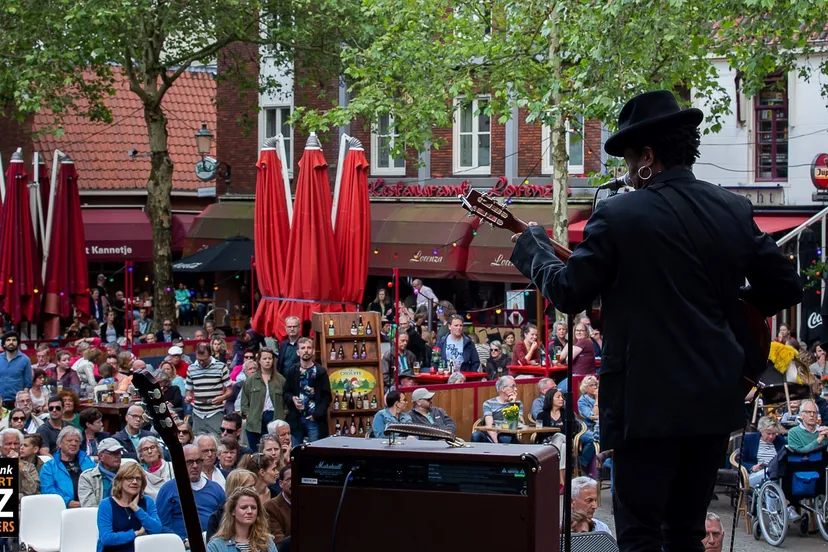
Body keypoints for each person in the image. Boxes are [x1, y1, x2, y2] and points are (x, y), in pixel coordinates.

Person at [509, 90, 802, 551]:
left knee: (641, 534)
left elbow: (569, 291)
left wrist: (534, 255)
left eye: (628, 160)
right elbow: (787, 288)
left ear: (647, 156)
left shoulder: (620, 213)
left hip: (645, 406)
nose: (627, 172)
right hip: (711, 401)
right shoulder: (733, 209)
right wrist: (727, 306)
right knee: (685, 531)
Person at [156, 444, 226, 545]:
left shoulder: (216, 489)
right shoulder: (167, 490)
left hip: (212, 543)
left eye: (198, 461)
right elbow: (161, 524)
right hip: (180, 545)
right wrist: (182, 541)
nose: (195, 466)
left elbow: (224, 521)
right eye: (189, 462)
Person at [96, 462, 163, 552]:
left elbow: (157, 529)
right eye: (130, 478)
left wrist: (137, 509)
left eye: (138, 479)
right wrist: (136, 533)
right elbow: (107, 538)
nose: (135, 482)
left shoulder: (148, 501)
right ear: (120, 481)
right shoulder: (106, 504)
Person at [284, 338, 331, 444]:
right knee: (295, 451)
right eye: (303, 348)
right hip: (296, 418)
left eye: (309, 348)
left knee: (316, 451)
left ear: (313, 351)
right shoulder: (292, 371)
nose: (306, 350)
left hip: (314, 419)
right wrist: (293, 399)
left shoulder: (320, 372)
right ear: (298, 352)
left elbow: (327, 397)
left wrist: (317, 415)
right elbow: (286, 392)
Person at [207, 487, 278, 552]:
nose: (250, 511)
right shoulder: (216, 545)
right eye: (244, 507)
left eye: (253, 507)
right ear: (233, 511)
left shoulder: (266, 541)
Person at [242, 348, 286, 453]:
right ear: (259, 361)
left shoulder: (281, 380)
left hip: (274, 418)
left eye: (270, 358)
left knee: (273, 451)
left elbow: (286, 402)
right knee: (257, 452)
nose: (267, 361)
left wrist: (284, 414)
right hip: (255, 421)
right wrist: (249, 415)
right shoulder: (251, 380)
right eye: (264, 358)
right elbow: (244, 403)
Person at [40, 426, 96, 507]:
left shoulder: (88, 462)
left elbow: (97, 483)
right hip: (62, 507)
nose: (74, 443)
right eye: (69, 441)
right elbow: (48, 490)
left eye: (77, 441)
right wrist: (68, 502)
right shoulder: (49, 467)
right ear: (59, 444)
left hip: (89, 506)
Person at [186, 342, 232, 435]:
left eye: (204, 359)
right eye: (199, 360)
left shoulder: (221, 367)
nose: (201, 362)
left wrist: (222, 398)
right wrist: (188, 397)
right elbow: (188, 390)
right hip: (198, 412)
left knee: (217, 439)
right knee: (198, 442)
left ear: (210, 354)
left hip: (215, 412)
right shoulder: (191, 368)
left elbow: (230, 390)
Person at [206, 469, 257, 542]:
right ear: (237, 488)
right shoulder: (216, 518)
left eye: (254, 485)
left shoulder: (258, 512)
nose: (254, 490)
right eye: (250, 486)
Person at [471, 376, 522, 444]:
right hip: (492, 435)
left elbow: (514, 425)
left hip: (509, 434)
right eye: (513, 386)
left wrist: (512, 404)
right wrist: (497, 443)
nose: (516, 389)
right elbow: (490, 426)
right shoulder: (488, 403)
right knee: (476, 436)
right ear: (503, 389)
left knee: (504, 438)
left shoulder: (517, 403)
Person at [79, 437, 126, 507]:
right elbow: (89, 507)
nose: (118, 456)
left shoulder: (129, 474)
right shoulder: (87, 477)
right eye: (113, 453)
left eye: (119, 452)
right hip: (99, 515)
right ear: (101, 456)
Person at [0, 331, 32, 410]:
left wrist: (22, 401)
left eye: (14, 340)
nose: (11, 342)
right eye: (8, 340)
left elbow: (27, 384)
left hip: (17, 402)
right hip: (1, 401)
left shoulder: (25, 360)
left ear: (18, 343)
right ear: (4, 344)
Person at [265, 466, 292, 544]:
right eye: (289, 479)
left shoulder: (310, 504)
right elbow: (278, 539)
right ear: (281, 483)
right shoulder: (270, 507)